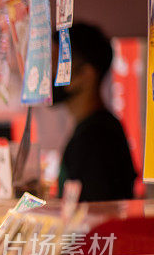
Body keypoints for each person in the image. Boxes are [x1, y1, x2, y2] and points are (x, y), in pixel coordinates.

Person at [54, 22, 137, 201]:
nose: (47, 74)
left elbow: (95, 216)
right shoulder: (95, 129)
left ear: (86, 74)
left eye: (57, 63)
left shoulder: (97, 137)